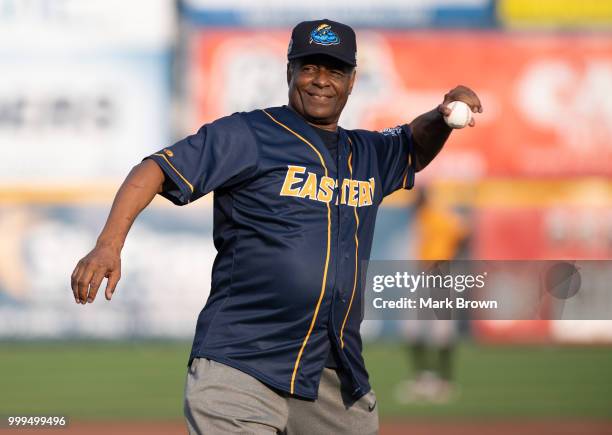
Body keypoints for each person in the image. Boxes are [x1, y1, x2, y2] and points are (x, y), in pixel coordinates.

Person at [71, 19, 482, 435]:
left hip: (332, 377)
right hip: (242, 363)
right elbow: (155, 169)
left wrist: (443, 114)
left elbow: (412, 143)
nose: (321, 81)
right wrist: (108, 244)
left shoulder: (369, 154)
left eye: (334, 70)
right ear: (289, 71)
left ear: (353, 81)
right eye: (310, 68)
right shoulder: (250, 134)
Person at [396, 187, 471, 404]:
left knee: (441, 330)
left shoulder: (438, 216)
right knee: (412, 328)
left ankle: (445, 381)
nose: (414, 203)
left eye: (417, 199)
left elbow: (464, 232)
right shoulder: (422, 218)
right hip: (422, 274)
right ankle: (422, 378)